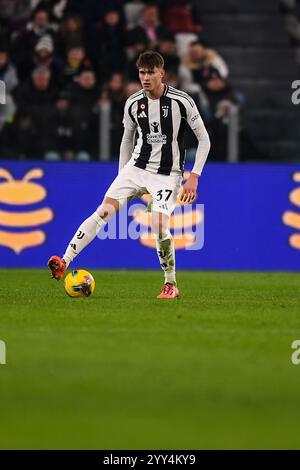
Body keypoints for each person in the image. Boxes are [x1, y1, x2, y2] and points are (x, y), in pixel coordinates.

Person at [47, 50, 210, 299]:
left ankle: (170, 284)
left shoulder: (181, 101)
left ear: (161, 73)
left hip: (167, 174)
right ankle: (65, 261)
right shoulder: (133, 103)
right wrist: (121, 175)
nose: (145, 77)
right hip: (136, 169)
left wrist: (194, 176)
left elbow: (204, 139)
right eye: (141, 72)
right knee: (103, 211)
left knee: (158, 223)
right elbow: (127, 139)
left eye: (150, 72)